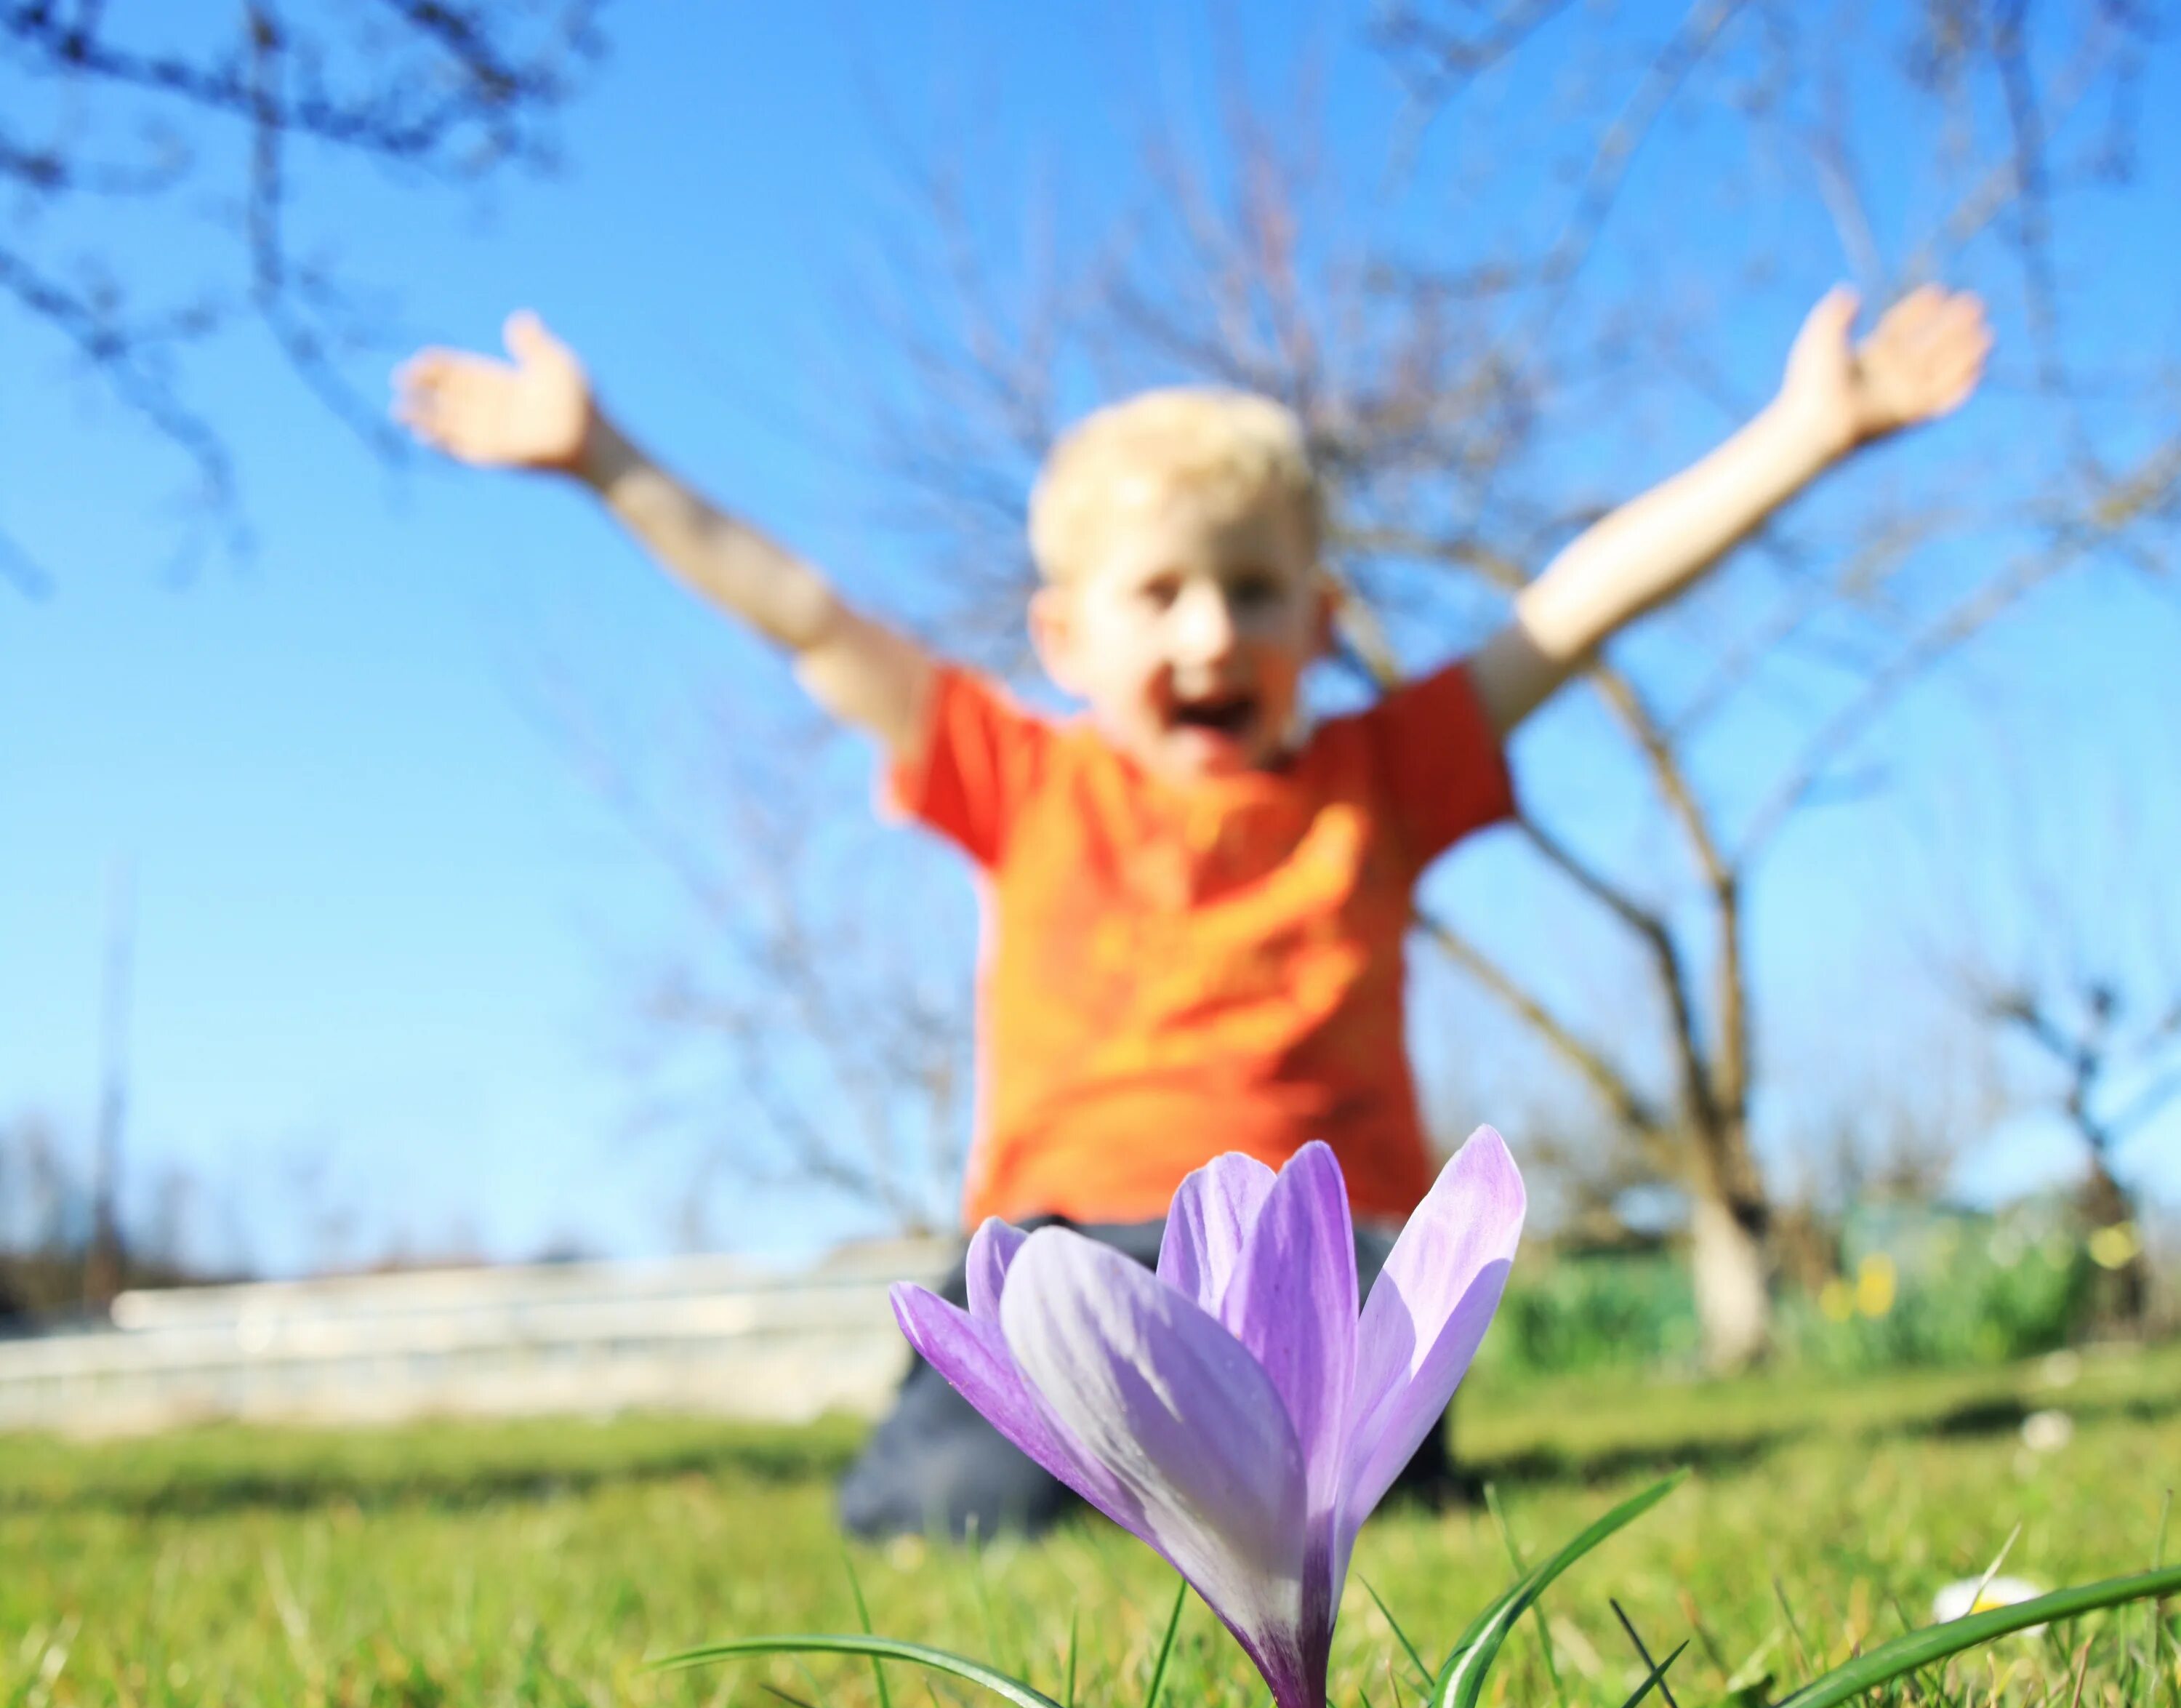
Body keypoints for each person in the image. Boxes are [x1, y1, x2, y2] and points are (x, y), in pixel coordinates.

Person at [394, 284, 1989, 1536]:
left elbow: (1579, 603)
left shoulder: (1384, 772)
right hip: (1071, 1252)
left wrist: (1807, 434)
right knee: (957, 1514)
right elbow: (804, 617)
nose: (1211, 629)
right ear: (1063, 637)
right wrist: (603, 458)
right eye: (1158, 594)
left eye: (1254, 587)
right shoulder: (1022, 781)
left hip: (1327, 1263)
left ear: (1324, 620)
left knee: (1330, 1511)